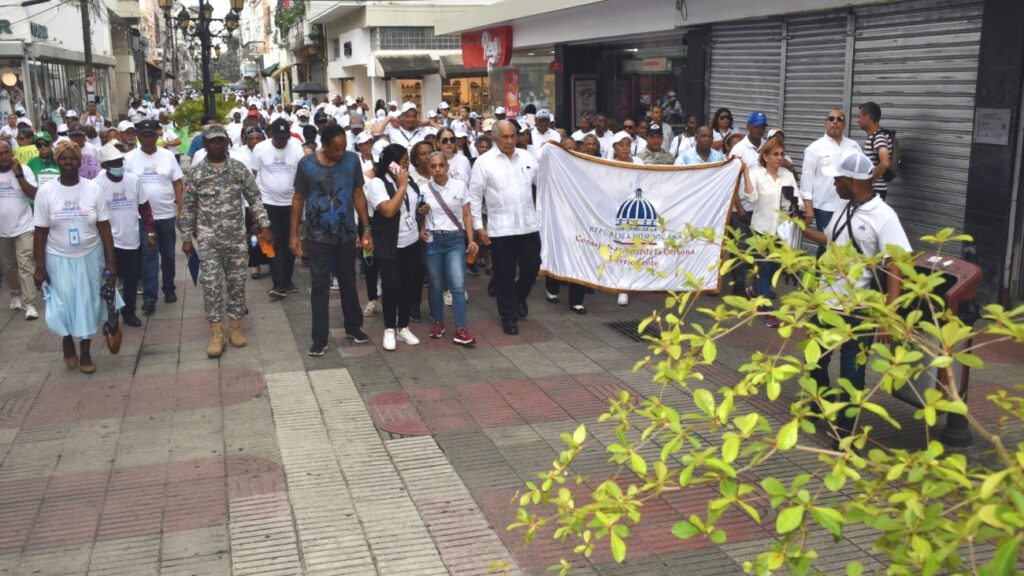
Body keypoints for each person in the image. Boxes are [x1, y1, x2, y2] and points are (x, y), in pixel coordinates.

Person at [801, 148, 910, 442]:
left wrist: (889, 315)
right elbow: (830, 239)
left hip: (857, 312)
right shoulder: (844, 206)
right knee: (815, 362)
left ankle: (844, 432)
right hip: (825, 304)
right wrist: (802, 229)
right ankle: (817, 405)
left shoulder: (884, 216)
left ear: (852, 179)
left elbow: (896, 263)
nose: (833, 184)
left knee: (852, 373)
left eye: (837, 179)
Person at [181, 125, 273, 357]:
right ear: (204, 145)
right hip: (209, 240)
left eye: (221, 141)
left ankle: (235, 328)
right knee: (211, 285)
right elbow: (189, 207)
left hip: (236, 239)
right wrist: (186, 238)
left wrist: (265, 225)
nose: (218, 145)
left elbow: (255, 198)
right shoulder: (196, 173)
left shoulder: (238, 169)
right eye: (213, 141)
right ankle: (216, 334)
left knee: (236, 283)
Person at [32, 140, 119, 374]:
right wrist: (40, 267)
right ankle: (67, 339)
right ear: (57, 161)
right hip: (57, 257)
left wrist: (111, 262)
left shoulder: (93, 188)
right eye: (63, 158)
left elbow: (104, 228)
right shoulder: (46, 191)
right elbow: (40, 232)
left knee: (88, 305)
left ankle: (86, 352)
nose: (68, 162)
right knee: (62, 305)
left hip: (90, 256)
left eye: (73, 158)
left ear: (80, 161)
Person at [290, 123, 371, 355]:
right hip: (317, 236)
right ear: (324, 145)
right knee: (320, 286)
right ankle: (319, 337)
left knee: (349, 282)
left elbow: (358, 194)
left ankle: (354, 327)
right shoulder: (306, 165)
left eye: (343, 148)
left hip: (345, 235)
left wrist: (366, 228)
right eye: (336, 149)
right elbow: (298, 199)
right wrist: (294, 234)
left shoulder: (352, 160)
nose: (340, 153)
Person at [469, 120, 539, 335]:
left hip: (528, 225)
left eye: (513, 136)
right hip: (500, 229)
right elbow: (474, 197)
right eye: (505, 137)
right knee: (504, 275)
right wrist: (479, 227)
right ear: (495, 138)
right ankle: (508, 316)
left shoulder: (527, 157)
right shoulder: (483, 162)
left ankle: (519, 296)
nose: (510, 141)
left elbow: (543, 183)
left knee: (532, 267)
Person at [365, 144, 423, 350]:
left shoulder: (409, 179)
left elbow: (414, 204)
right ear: (391, 164)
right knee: (392, 287)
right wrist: (401, 187)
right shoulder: (378, 183)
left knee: (409, 286)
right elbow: (388, 210)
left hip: (411, 241)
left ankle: (403, 327)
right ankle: (389, 328)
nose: (407, 165)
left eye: (408, 161)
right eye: (403, 161)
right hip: (389, 244)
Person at [739, 137, 799, 329]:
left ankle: (754, 289)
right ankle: (767, 310)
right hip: (761, 230)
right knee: (764, 270)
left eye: (781, 154)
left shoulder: (787, 176)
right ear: (765, 156)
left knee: (775, 268)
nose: (779, 158)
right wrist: (746, 173)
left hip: (781, 231)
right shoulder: (757, 175)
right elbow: (750, 197)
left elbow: (794, 198)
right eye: (775, 154)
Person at [125, 119, 184, 312]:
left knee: (168, 255)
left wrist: (180, 209)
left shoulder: (167, 156)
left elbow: (177, 183)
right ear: (138, 137)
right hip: (142, 218)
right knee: (148, 256)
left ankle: (169, 288)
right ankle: (150, 297)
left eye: (151, 135)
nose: (148, 139)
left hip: (166, 214)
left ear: (156, 136)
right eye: (144, 136)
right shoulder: (130, 158)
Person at [419, 151, 477, 345]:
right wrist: (422, 221)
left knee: (458, 286)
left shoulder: (460, 186)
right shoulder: (424, 189)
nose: (437, 170)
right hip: (433, 240)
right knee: (435, 285)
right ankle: (438, 322)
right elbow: (420, 216)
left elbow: (467, 215)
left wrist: (471, 240)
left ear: (447, 166)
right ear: (428, 169)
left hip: (455, 241)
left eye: (441, 166)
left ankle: (461, 328)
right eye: (433, 166)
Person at [96, 142, 155, 327]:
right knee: (108, 279)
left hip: (130, 239)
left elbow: (145, 209)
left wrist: (151, 233)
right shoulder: (97, 185)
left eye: (120, 161)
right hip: (107, 243)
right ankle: (109, 315)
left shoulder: (133, 180)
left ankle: (129, 312)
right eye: (113, 163)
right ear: (105, 166)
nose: (118, 167)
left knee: (130, 278)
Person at [253, 118, 305, 299]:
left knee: (290, 241)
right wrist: (255, 205)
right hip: (269, 202)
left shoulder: (297, 147)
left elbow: (303, 174)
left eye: (285, 138)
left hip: (292, 203)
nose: (282, 142)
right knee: (273, 241)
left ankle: (287, 280)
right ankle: (277, 283)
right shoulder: (260, 149)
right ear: (270, 135)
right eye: (278, 138)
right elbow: (254, 174)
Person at [800, 109, 863, 254]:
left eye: (839, 119)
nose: (835, 121)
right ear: (826, 123)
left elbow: (860, 175)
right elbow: (807, 179)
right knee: (827, 243)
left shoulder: (854, 146)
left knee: (846, 243)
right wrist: (808, 206)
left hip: (848, 206)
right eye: (831, 119)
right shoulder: (814, 148)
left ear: (844, 124)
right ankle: (822, 275)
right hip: (824, 207)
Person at [0, 140, 39, 320]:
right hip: (2, 230)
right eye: (0, 154)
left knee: (25, 264)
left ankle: (30, 303)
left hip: (24, 226)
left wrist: (18, 175)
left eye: (6, 152)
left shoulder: (24, 169)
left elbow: (33, 194)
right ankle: (15, 294)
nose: (4, 156)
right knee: (8, 267)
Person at [857, 101, 892, 201]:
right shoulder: (873, 136)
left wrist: (867, 183)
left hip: (874, 192)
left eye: (859, 116)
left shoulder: (879, 138)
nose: (857, 120)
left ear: (868, 116)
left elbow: (885, 162)